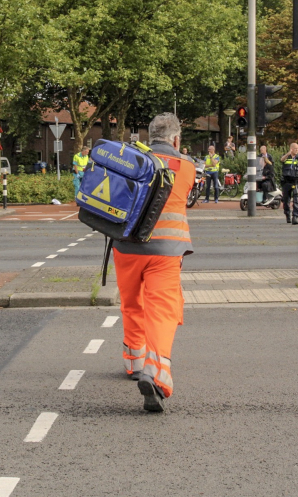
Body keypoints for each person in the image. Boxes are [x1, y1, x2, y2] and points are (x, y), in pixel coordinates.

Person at [112, 112, 195, 412]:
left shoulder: (131, 160)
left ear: (149, 137)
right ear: (175, 139)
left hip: (125, 247)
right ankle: (156, 372)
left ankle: (134, 361)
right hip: (165, 250)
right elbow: (184, 197)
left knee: (132, 303)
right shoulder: (186, 166)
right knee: (161, 309)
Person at [280, 142, 298, 224]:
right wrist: (287, 154)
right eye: (295, 148)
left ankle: (295, 217)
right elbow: (281, 160)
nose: (297, 150)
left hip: (296, 181)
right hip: (286, 181)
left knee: (296, 199)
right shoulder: (286, 157)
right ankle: (287, 215)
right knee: (286, 200)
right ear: (291, 149)